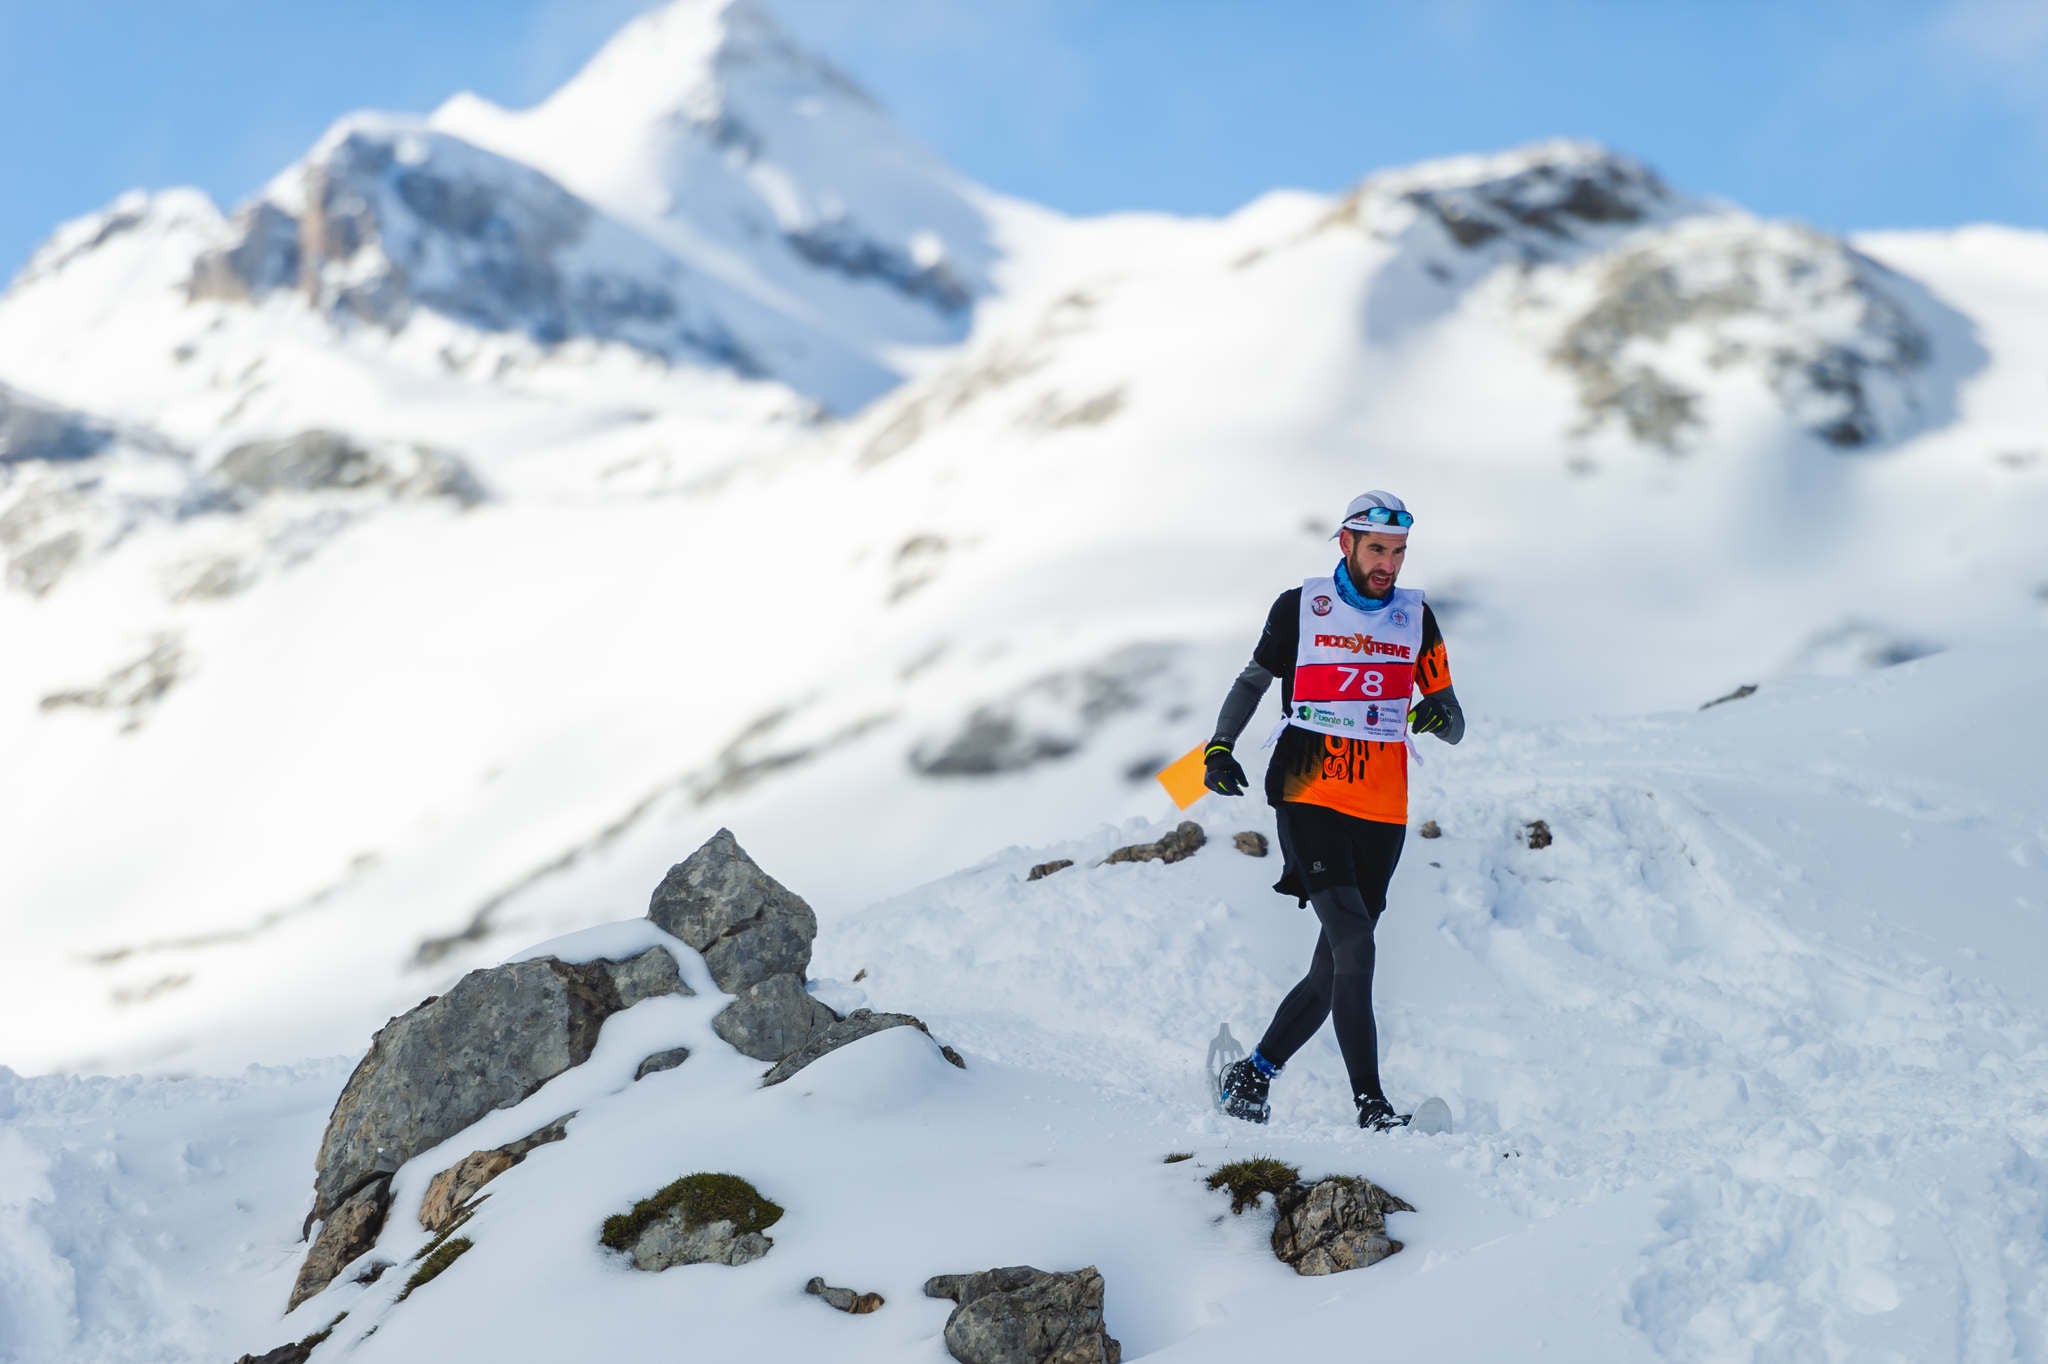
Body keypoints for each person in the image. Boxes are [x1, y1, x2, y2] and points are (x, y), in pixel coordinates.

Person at [1203, 490, 1464, 1131]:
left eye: (1399, 552)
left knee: (1340, 959)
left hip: (1382, 809)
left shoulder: (1415, 617)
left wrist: (1437, 715)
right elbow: (1252, 680)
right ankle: (1371, 1108)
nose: (1389, 565)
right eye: (1377, 549)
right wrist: (1218, 747)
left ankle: (1252, 1075)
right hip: (1307, 789)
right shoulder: (1301, 607)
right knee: (1354, 940)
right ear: (1345, 543)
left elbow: (1454, 720)